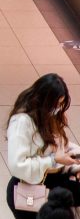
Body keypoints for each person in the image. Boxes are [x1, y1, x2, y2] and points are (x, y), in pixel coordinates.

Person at [6, 74, 80, 217]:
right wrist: (53, 160)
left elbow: (60, 146)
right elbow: (17, 165)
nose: (58, 109)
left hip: (53, 182)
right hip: (30, 189)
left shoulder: (49, 117)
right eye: (56, 105)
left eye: (60, 105)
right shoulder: (22, 122)